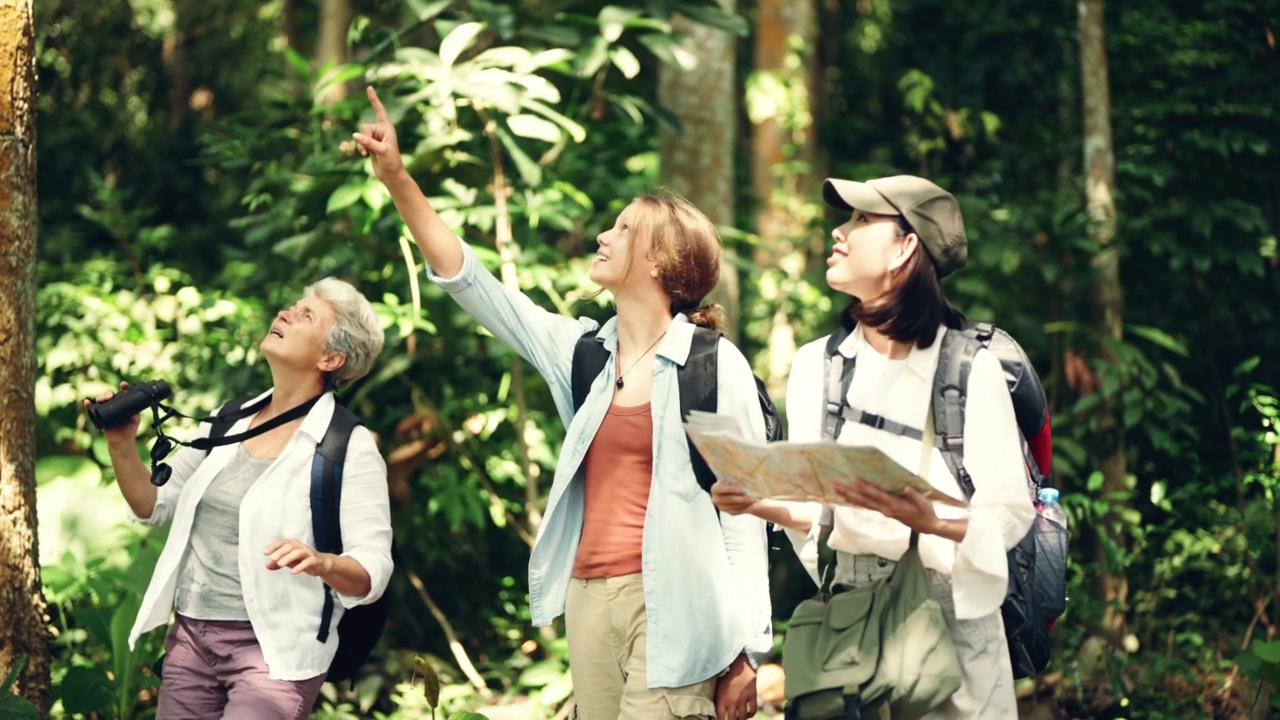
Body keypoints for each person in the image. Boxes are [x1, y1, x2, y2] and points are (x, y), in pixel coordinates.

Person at [352, 86, 771, 720]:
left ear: (660, 260)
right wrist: (398, 180)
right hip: (588, 597)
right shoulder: (584, 353)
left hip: (677, 604)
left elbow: (744, 515)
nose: (604, 235)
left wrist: (748, 652)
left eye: (624, 229)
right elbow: (477, 286)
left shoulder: (712, 366)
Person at [711, 175, 1036, 718]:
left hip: (951, 625)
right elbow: (820, 507)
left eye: (863, 220)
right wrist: (759, 502)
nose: (839, 232)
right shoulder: (819, 365)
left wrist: (931, 518)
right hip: (850, 621)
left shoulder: (966, 366)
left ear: (907, 247)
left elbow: (1009, 511)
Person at [89, 278, 393, 720]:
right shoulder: (227, 419)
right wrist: (121, 444)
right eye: (291, 306)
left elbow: (374, 569)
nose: (285, 314)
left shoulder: (348, 445)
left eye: (305, 315)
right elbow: (153, 504)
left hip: (274, 655)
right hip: (191, 642)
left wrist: (321, 561)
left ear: (331, 358)